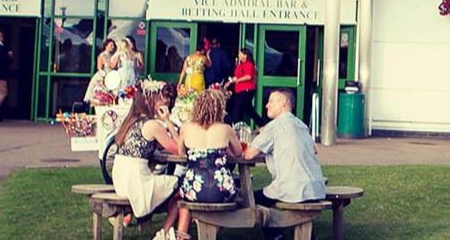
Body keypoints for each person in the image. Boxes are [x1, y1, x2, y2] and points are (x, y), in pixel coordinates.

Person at [244, 88, 326, 240]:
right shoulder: (301, 125)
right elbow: (315, 150)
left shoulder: (274, 126)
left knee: (252, 199)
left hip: (292, 188)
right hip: (316, 188)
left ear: (282, 103)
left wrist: (265, 148)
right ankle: (309, 235)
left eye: (271, 101)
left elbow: (249, 154)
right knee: (268, 196)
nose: (267, 105)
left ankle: (276, 236)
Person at [112, 80, 181, 239]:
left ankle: (159, 227)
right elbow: (179, 149)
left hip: (120, 181)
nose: (162, 102)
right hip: (136, 183)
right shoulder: (152, 125)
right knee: (181, 187)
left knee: (170, 185)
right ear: (149, 101)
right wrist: (168, 121)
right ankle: (165, 232)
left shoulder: (130, 122)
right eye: (159, 99)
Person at [176, 89, 242, 240]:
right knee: (236, 198)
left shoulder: (186, 128)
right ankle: (210, 233)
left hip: (194, 188)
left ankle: (181, 237)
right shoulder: (226, 129)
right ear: (219, 108)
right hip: (221, 188)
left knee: (184, 201)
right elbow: (238, 152)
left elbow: (181, 153)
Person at [225, 48, 264, 127]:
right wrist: (229, 82)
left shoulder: (249, 64)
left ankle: (236, 127)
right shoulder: (240, 65)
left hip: (246, 90)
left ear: (245, 55)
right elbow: (236, 76)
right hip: (240, 90)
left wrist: (238, 80)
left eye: (240, 54)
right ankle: (262, 124)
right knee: (249, 110)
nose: (239, 55)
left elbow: (248, 76)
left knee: (237, 110)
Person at [84, 38, 116, 105]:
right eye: (111, 45)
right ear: (106, 46)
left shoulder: (112, 55)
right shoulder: (102, 55)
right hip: (103, 75)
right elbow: (99, 68)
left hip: (111, 77)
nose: (112, 47)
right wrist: (103, 76)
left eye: (113, 45)